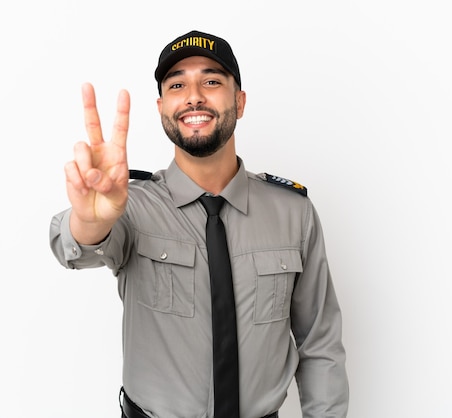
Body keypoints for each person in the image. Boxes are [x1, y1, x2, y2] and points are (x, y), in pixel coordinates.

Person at [49, 30, 349, 418]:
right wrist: (91, 220)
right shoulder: (130, 206)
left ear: (239, 102)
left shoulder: (293, 213)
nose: (194, 95)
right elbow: (72, 247)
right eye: (177, 84)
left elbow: (319, 342)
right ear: (161, 107)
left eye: (211, 81)